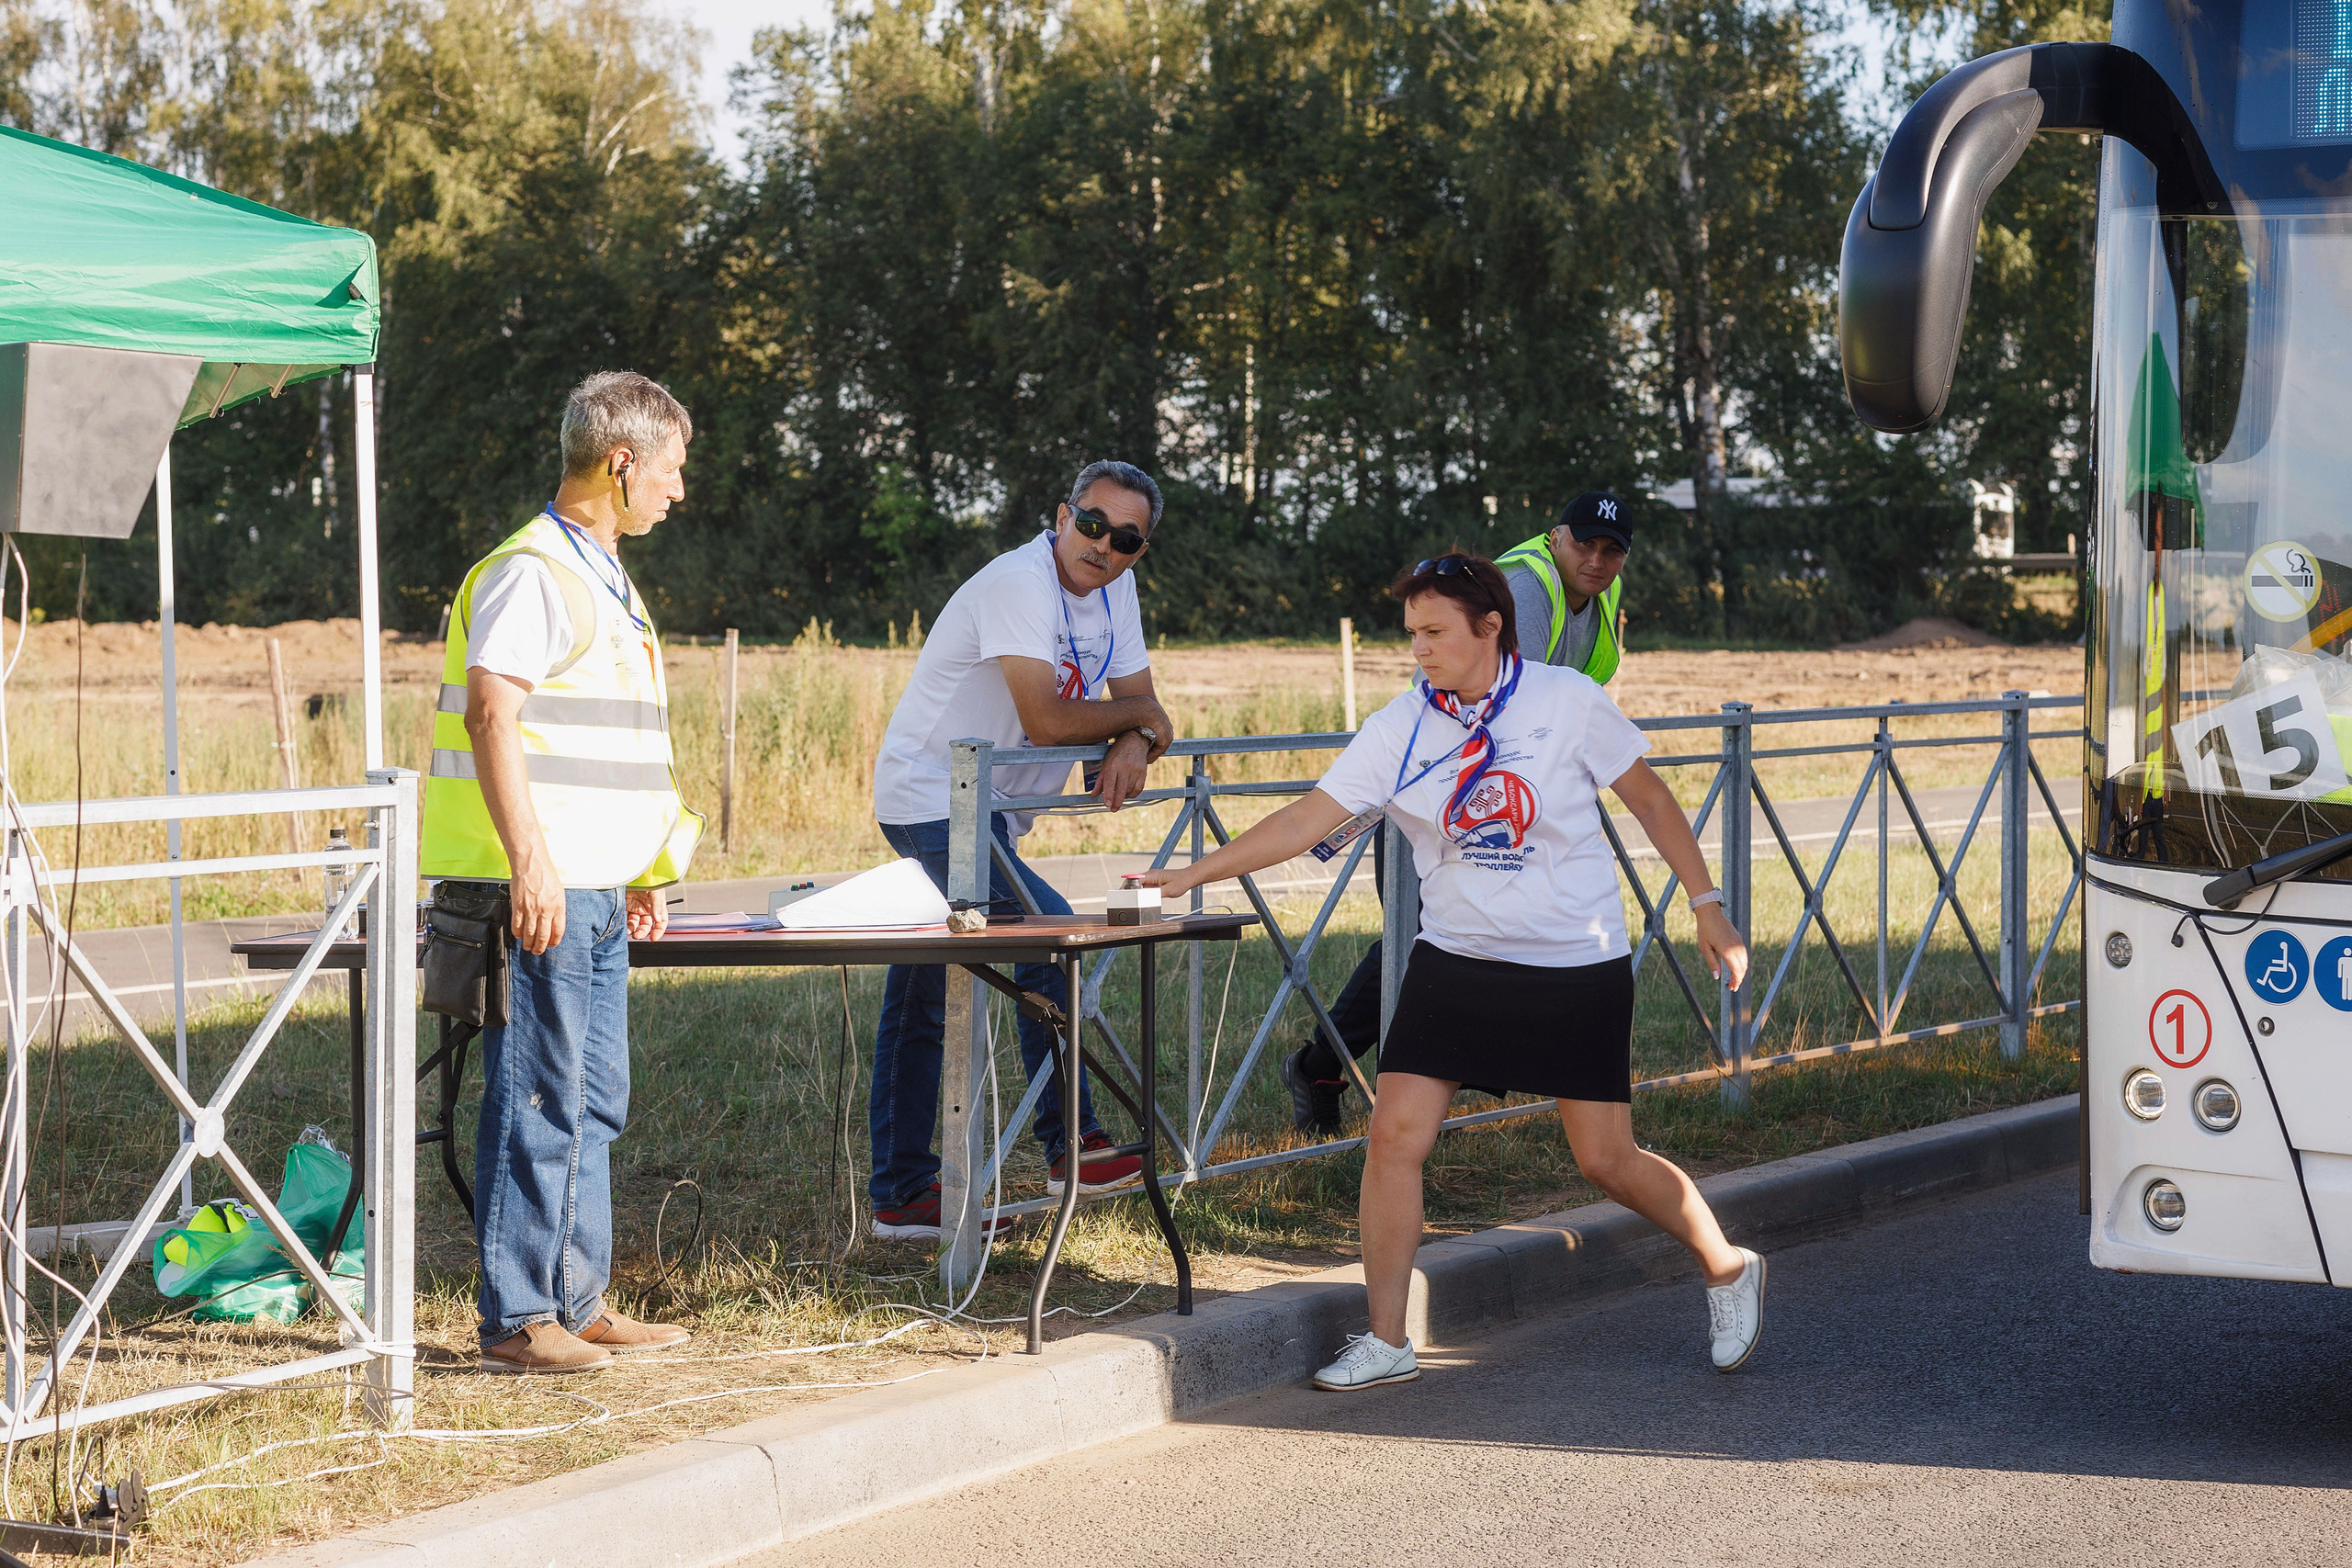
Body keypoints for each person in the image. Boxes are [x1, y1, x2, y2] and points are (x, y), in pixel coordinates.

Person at [1139, 548, 1765, 1386]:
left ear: (1491, 626)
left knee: (1605, 1159)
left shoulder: (1565, 701)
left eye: (1435, 631)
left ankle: (1726, 1264)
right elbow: (1309, 819)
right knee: (1394, 1135)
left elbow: (1649, 800)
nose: (1419, 649)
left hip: (1571, 959)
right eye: (1411, 634)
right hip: (1458, 956)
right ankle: (1388, 1338)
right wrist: (1192, 873)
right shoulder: (1404, 723)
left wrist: (1708, 905)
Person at [422, 371, 705, 1375]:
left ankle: (577, 1303)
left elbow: (606, 744)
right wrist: (529, 861)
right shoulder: (533, 570)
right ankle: (516, 1318)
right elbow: (492, 714)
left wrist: (637, 872)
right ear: (621, 464)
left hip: (592, 886)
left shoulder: (601, 572)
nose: (678, 489)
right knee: (539, 1097)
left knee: (590, 1097)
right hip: (536, 886)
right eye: (670, 470)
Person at [866, 460, 1179, 1240]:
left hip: (988, 811)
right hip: (929, 797)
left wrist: (1137, 729)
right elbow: (1044, 718)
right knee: (1051, 931)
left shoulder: (1117, 589)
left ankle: (904, 1194)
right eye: (1093, 523)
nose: (1104, 546)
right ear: (1063, 513)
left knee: (924, 988)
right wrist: (1141, 717)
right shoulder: (1020, 582)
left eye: (1127, 538)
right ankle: (1070, 1143)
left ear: (1141, 550)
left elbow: (1134, 702)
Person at [1284, 491, 1637, 1134]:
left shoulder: (1598, 592)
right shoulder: (1528, 591)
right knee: (1422, 942)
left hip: (1499, 799)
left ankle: (1343, 1068)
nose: (1596, 558)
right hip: (1448, 791)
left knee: (1433, 941)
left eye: (1612, 550)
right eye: (1585, 543)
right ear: (1555, 535)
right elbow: (1498, 705)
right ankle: (1324, 1067)